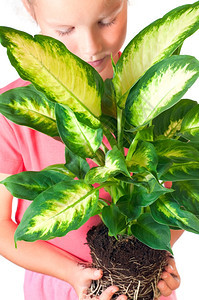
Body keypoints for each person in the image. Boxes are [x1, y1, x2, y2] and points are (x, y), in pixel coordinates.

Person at [0, 0, 182, 299]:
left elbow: (181, 197)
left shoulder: (154, 87)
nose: (91, 47)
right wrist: (72, 273)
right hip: (62, 285)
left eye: (106, 21)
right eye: (65, 29)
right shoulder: (16, 110)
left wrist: (162, 255)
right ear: (31, 12)